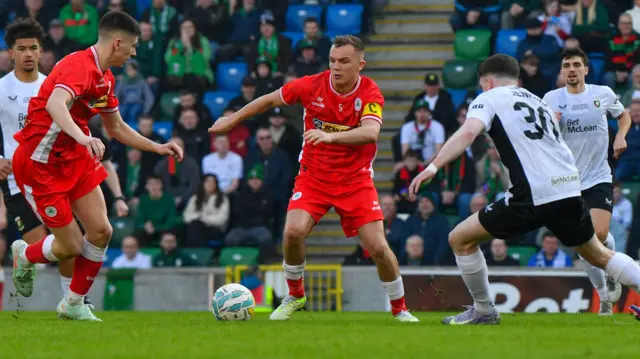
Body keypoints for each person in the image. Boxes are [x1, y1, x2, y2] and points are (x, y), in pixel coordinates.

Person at [409, 54, 640, 325]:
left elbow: (468, 132)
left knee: (459, 239)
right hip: (568, 187)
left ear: (488, 81)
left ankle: (484, 311)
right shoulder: (536, 100)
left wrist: (433, 167)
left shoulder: (489, 98)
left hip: (533, 193)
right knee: (599, 254)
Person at [209, 35, 418, 322]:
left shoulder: (370, 92)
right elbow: (270, 99)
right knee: (292, 232)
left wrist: (330, 136)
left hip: (355, 180)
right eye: (333, 60)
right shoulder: (312, 85)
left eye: (344, 61)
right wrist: (232, 120)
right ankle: (295, 295)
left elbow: (371, 132)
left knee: (379, 248)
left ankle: (400, 309)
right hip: (314, 177)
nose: (336, 67)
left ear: (360, 65)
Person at [9, 11, 182, 321]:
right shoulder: (79, 67)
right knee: (71, 246)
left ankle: (73, 304)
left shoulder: (105, 78)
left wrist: (157, 146)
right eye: (132, 46)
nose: (134, 52)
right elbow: (54, 104)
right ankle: (25, 254)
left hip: (74, 158)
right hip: (39, 163)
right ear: (117, 43)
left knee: (101, 230)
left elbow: (115, 128)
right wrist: (83, 137)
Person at [0, 18, 131, 309]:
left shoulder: (54, 83)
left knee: (69, 246)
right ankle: (31, 265)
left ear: (41, 49)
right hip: (17, 177)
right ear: (11, 52)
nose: (28, 54)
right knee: (63, 244)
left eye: (34, 48)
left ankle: (72, 301)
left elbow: (85, 123)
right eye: (21, 49)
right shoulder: (1, 88)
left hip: (55, 169)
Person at [543, 47, 631, 315]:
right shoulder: (550, 99)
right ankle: (604, 294)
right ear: (562, 71)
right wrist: (551, 124)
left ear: (585, 69)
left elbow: (624, 116)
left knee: (599, 235)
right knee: (581, 242)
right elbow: (541, 136)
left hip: (598, 175)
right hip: (567, 179)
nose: (571, 69)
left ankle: (611, 273)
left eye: (576, 64)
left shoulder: (601, 93)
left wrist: (621, 136)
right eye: (567, 65)